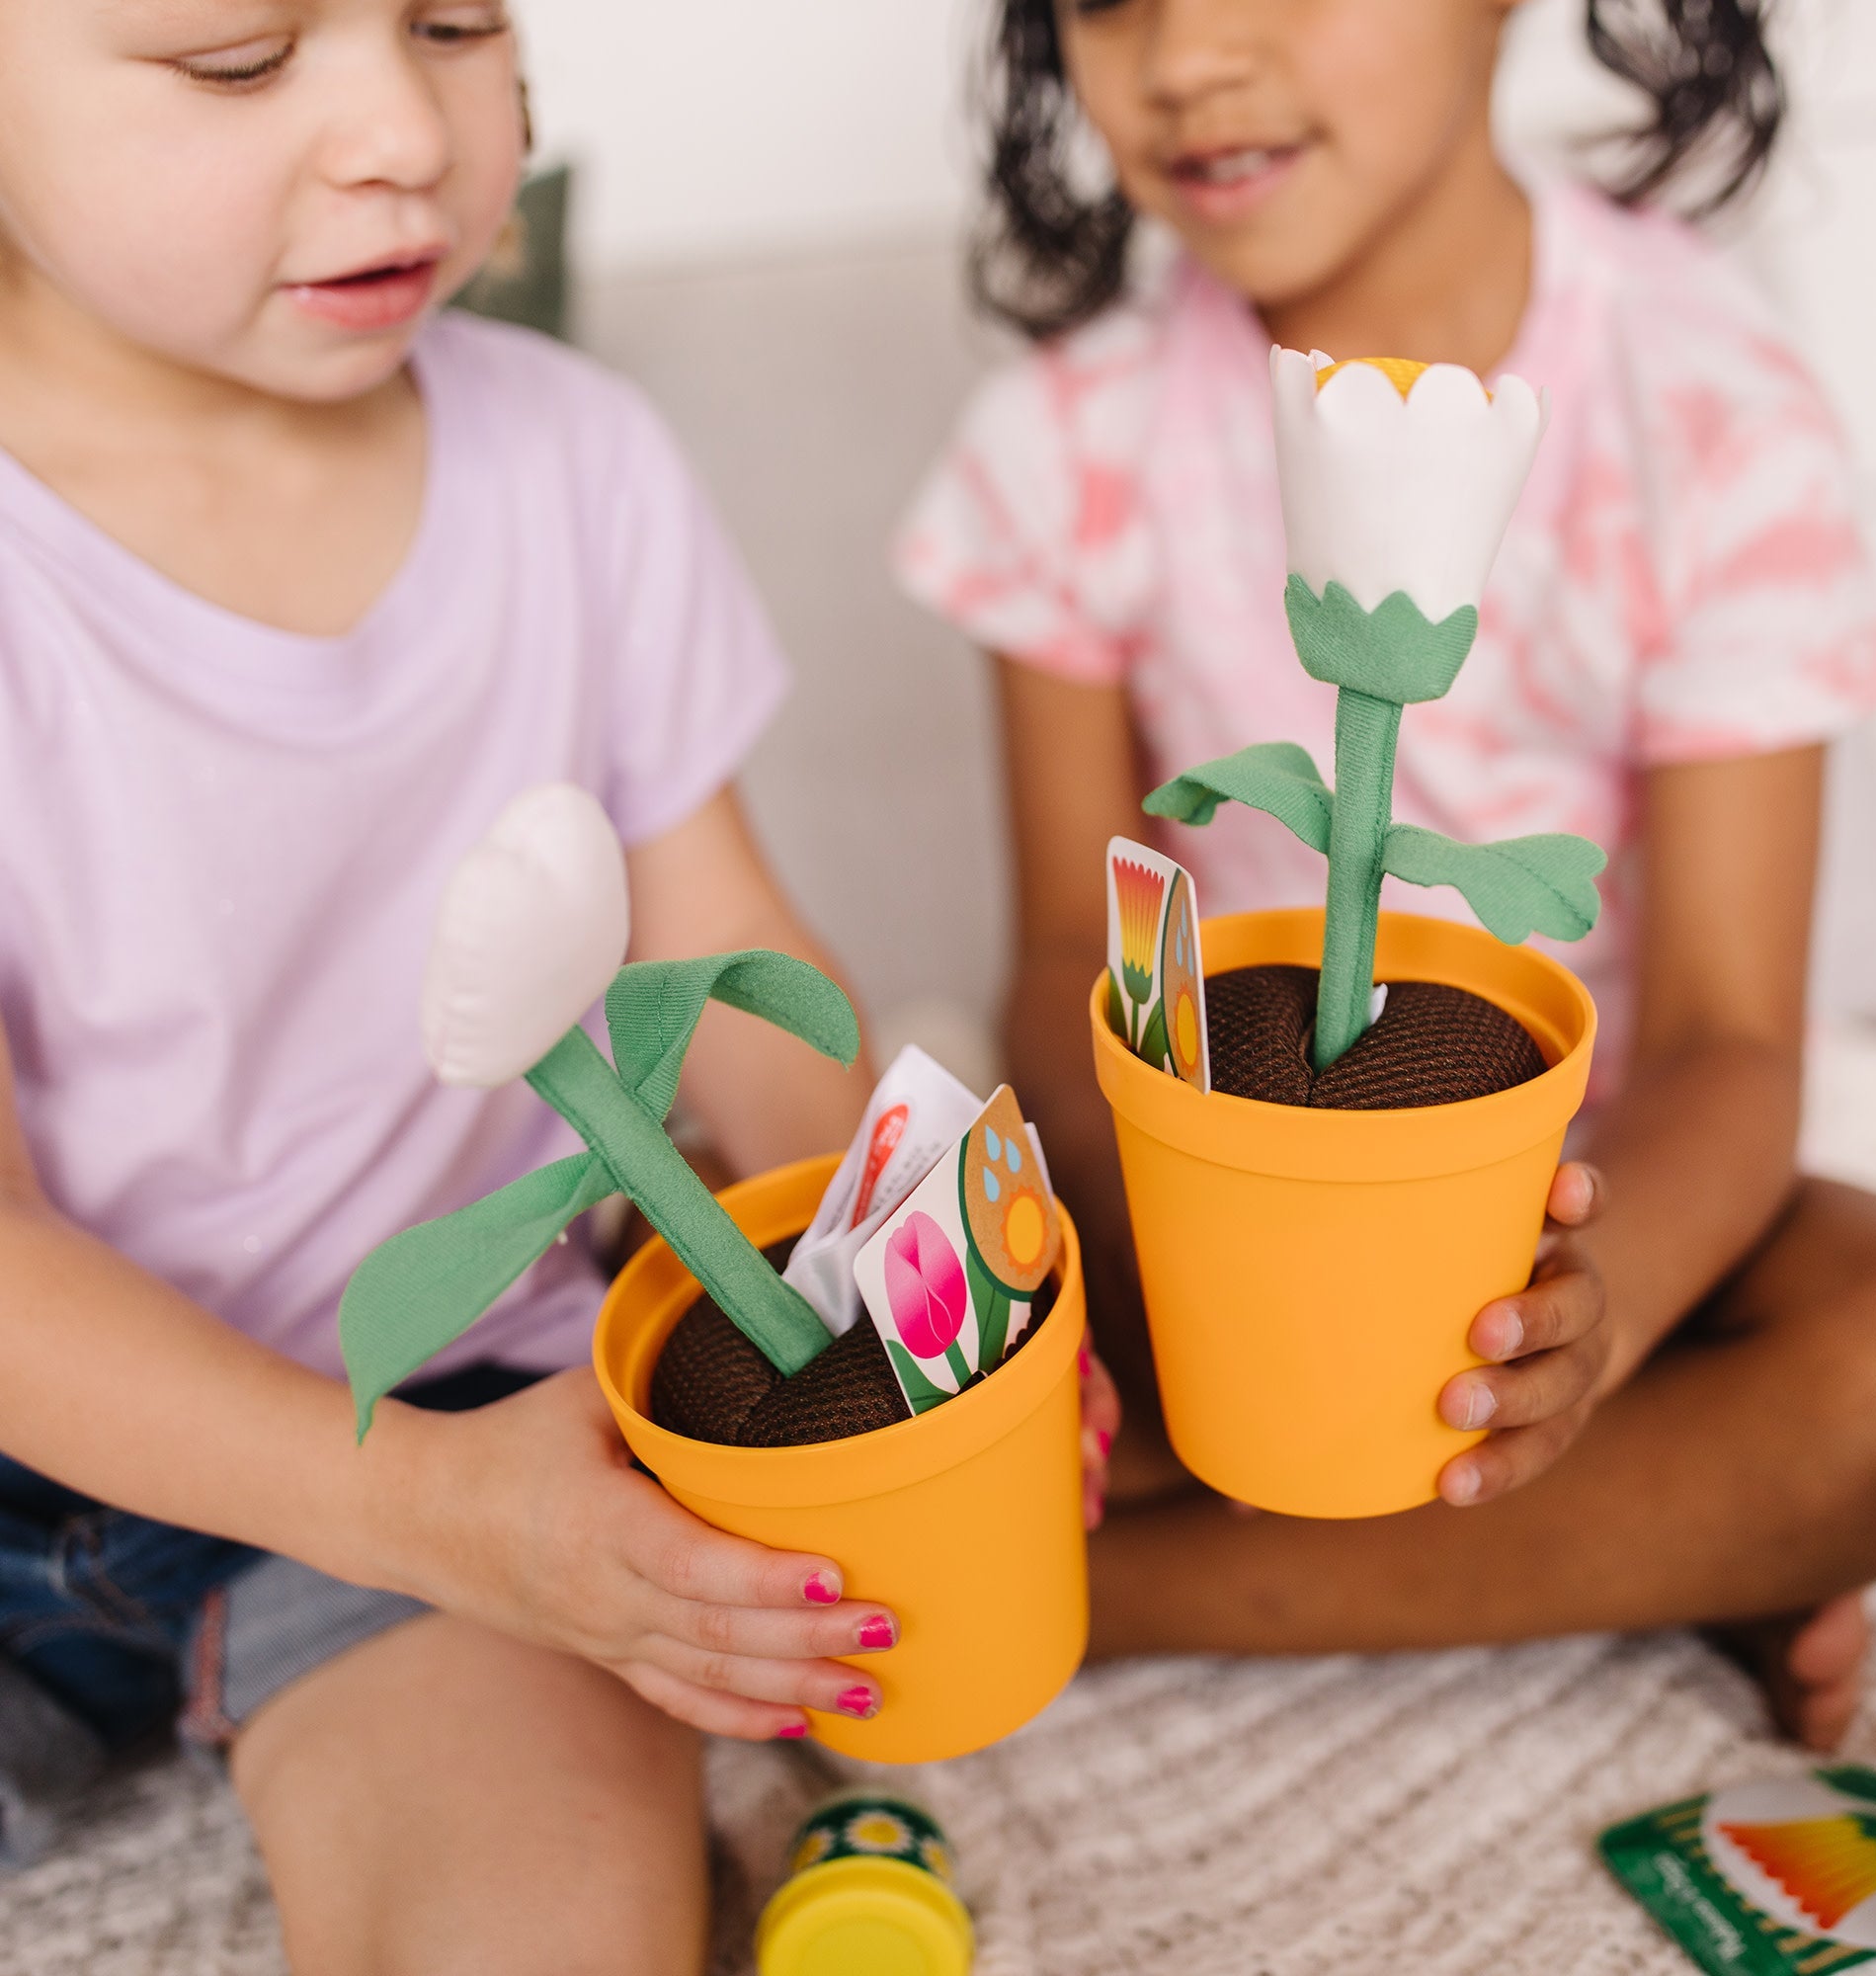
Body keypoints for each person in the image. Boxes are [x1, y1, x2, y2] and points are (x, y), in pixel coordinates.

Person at [0, 5, 1117, 1969]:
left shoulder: (571, 457)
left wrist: (934, 1328)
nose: (400, 132)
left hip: (459, 1414)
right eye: (242, 59)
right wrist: (430, 1513)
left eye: (454, 22)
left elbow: (736, 992)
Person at [896, 0, 1876, 1756]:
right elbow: (1076, 962)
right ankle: (1663, 1534)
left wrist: (1588, 1345)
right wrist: (1189, 1301)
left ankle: (1078, 1599)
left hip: (1600, 1184)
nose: (1185, 60)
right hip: (1217, 1196)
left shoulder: (1704, 409)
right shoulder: (1070, 442)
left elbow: (1728, 1047)